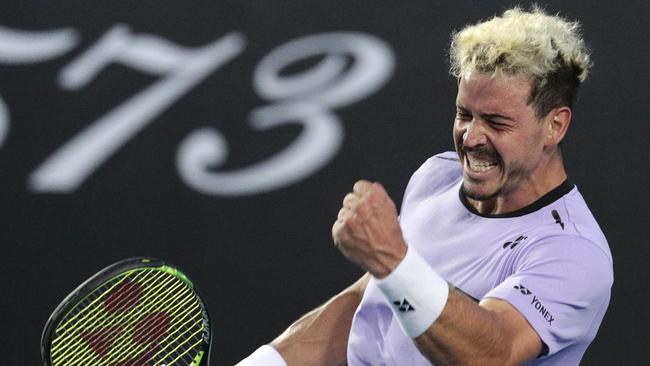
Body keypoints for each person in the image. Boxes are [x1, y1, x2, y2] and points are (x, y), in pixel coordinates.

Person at [237, 6, 613, 366]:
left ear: (555, 126)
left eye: (497, 123)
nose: (471, 137)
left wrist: (392, 260)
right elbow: (369, 302)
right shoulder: (438, 176)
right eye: (464, 114)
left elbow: (491, 355)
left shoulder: (575, 253)